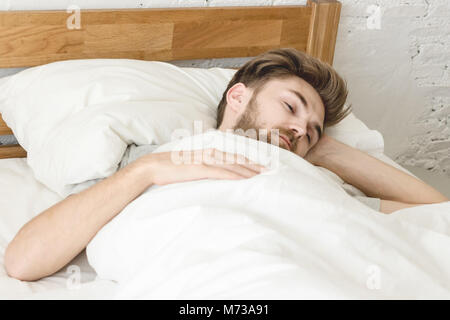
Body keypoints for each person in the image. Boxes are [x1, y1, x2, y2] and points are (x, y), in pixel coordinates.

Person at [5, 48, 448, 281]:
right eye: (291, 106)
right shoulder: (152, 157)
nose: (300, 129)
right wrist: (147, 171)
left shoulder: (316, 178)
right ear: (238, 96)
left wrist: (326, 151)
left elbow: (436, 212)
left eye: (312, 129)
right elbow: (23, 262)